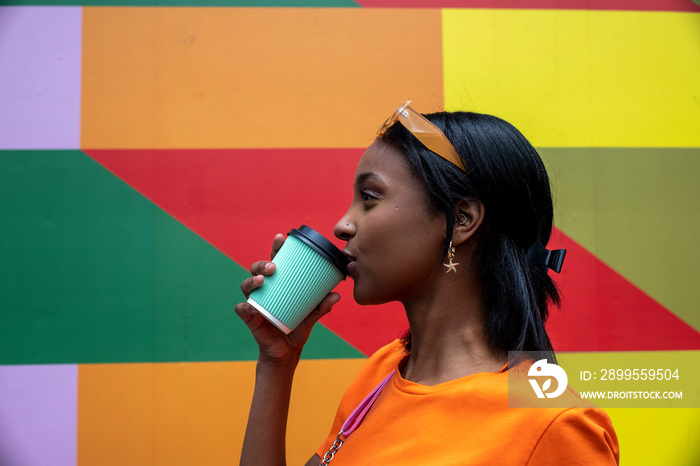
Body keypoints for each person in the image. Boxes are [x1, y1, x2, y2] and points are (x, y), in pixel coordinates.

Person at [235, 101, 620, 465]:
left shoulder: (553, 424)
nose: (343, 225)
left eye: (369, 198)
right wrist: (276, 362)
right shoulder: (383, 371)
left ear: (462, 220)